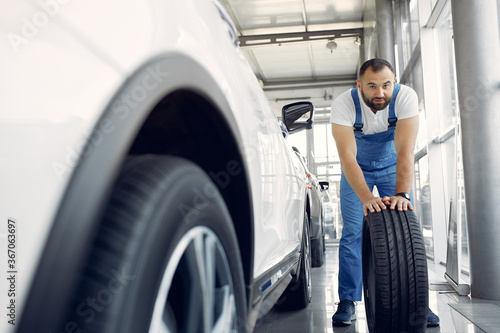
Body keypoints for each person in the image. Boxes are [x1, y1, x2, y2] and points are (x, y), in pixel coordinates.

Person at [330, 58, 440, 327]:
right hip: (357, 170)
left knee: (407, 228)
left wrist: (402, 193)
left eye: (386, 85)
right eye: (372, 86)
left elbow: (406, 151)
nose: (380, 93)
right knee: (353, 232)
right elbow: (347, 157)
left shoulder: (406, 98)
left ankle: (418, 304)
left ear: (395, 83)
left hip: (393, 166)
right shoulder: (344, 105)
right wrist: (367, 198)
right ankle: (347, 300)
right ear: (359, 86)